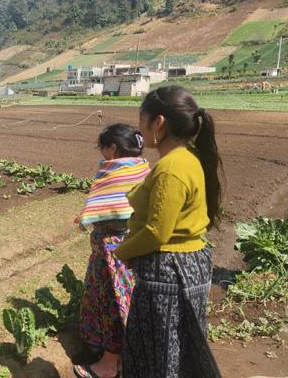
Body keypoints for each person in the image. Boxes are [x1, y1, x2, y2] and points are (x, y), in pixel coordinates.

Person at [115, 86, 222, 377]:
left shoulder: (171, 168)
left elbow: (156, 232)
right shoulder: (189, 158)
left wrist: (122, 253)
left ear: (158, 123)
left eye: (141, 121)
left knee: (160, 354)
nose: (139, 130)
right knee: (180, 348)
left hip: (168, 271)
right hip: (188, 265)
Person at [73, 123, 150, 378]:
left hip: (114, 255)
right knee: (129, 303)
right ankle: (121, 361)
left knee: (111, 305)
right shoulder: (144, 169)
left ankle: (107, 366)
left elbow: (106, 208)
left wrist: (90, 215)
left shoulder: (114, 172)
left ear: (113, 147)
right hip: (138, 249)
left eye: (104, 148)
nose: (103, 155)